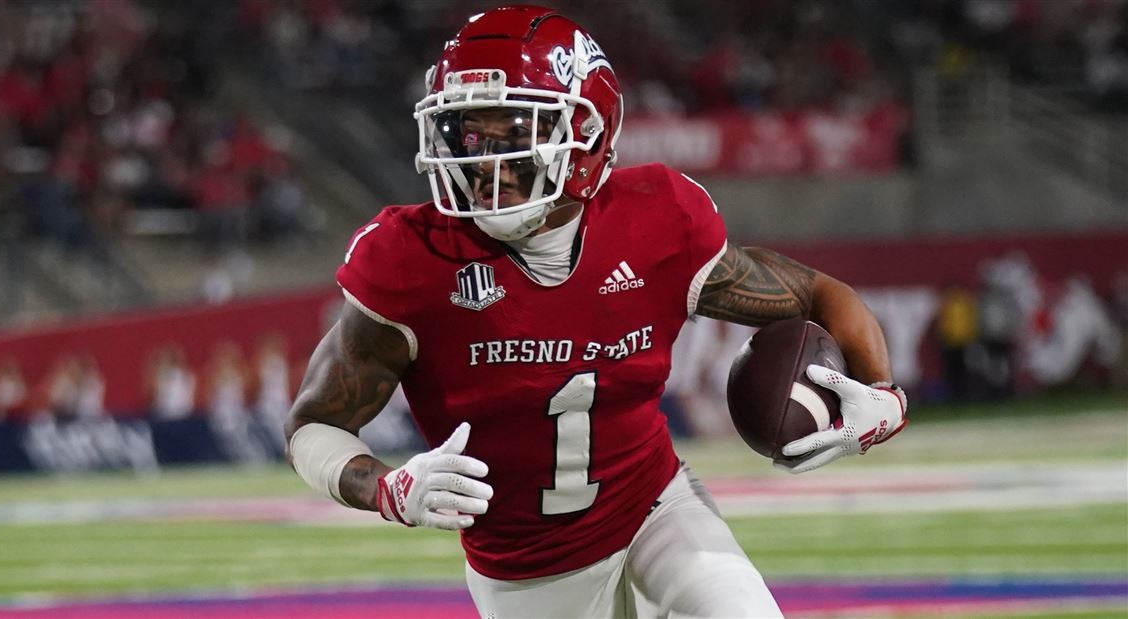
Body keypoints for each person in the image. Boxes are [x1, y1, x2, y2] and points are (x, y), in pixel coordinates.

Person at [285, 6, 908, 618]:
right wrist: (390, 489)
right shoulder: (410, 259)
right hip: (526, 572)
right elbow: (313, 425)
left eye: (514, 133)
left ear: (586, 136)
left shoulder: (657, 221)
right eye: (469, 133)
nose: (483, 164)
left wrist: (883, 396)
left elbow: (821, 296)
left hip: (658, 509)